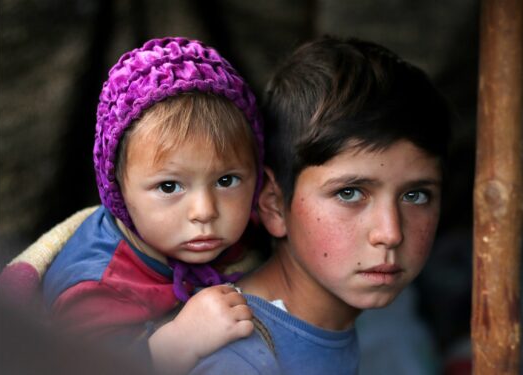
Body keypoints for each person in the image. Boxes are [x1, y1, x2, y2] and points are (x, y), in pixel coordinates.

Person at [189, 35, 452, 374]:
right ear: (273, 204)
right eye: (349, 193)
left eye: (415, 195)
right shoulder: (238, 357)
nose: (390, 233)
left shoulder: (322, 329)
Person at [38, 37, 264, 374]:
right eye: (169, 186)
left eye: (226, 180)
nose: (204, 211)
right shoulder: (94, 290)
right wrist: (175, 343)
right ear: (117, 189)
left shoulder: (256, 232)